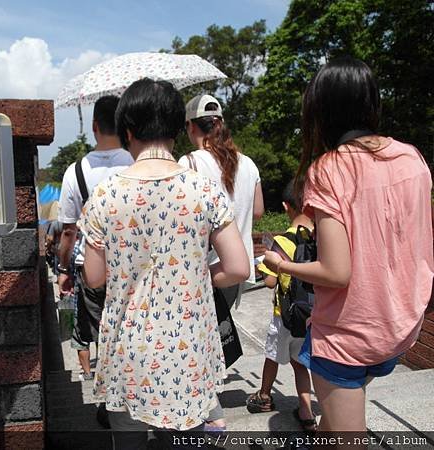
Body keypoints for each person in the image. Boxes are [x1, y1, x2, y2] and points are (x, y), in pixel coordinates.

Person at [263, 57, 433, 441]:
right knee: (334, 426)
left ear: (320, 111)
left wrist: (281, 264)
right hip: (402, 326)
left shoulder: (329, 169)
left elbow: (336, 272)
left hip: (349, 339)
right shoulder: (412, 157)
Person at [79, 78, 250, 450]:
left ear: (127, 130)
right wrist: (194, 274)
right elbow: (238, 267)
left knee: (128, 441)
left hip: (127, 348)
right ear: (176, 128)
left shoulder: (106, 193)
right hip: (187, 348)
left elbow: (93, 278)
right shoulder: (203, 188)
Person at [179, 93, 264, 431]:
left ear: (189, 126)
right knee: (212, 336)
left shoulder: (190, 163)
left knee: (197, 340)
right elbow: (257, 211)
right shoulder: (249, 164)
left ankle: (209, 414)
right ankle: (208, 404)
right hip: (236, 269)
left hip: (204, 270)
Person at [57, 95, 133, 381]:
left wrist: (63, 270)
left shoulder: (75, 172)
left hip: (92, 266)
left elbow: (68, 232)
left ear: (94, 126)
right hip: (132, 262)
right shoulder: (137, 162)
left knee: (103, 329)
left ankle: (109, 396)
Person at [246, 181, 316, 432]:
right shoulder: (318, 236)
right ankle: (307, 410)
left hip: (284, 315)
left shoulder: (283, 241)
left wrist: (269, 258)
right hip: (309, 315)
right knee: (300, 363)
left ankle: (264, 396)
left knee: (272, 357)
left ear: (286, 206)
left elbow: (269, 282)